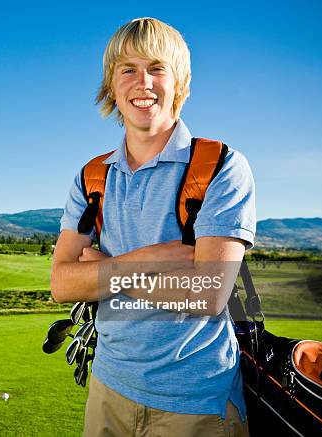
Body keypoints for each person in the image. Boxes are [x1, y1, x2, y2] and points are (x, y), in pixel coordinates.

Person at [51, 18, 255, 436]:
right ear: (111, 85)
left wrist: (105, 269)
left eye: (157, 68)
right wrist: (151, 259)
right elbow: (61, 284)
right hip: (108, 389)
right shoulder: (91, 177)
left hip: (197, 400)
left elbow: (209, 295)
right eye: (127, 69)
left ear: (180, 81)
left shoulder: (220, 166)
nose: (142, 82)